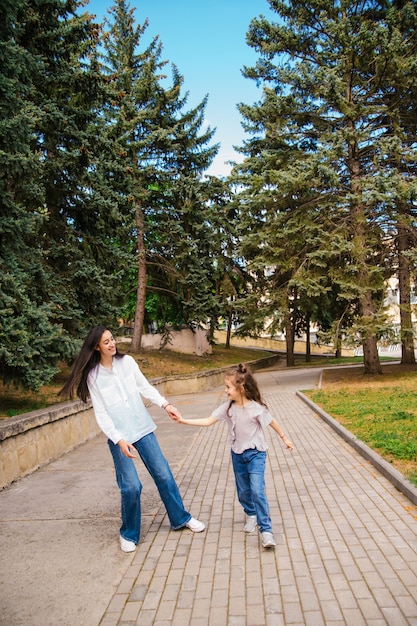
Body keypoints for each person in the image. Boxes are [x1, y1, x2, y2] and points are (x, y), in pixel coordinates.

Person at [59, 325, 205, 552]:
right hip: (120, 437)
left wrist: (165, 405)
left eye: (112, 339)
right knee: (131, 487)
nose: (112, 344)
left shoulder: (127, 363)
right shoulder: (93, 377)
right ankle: (128, 533)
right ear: (97, 347)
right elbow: (101, 413)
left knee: (164, 475)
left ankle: (181, 518)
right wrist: (118, 439)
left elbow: (144, 387)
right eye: (106, 341)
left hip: (142, 428)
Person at [173, 363, 293, 548]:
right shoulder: (227, 408)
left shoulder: (256, 408)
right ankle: (250, 513)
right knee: (243, 491)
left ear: (241, 388)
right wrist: (183, 421)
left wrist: (284, 437)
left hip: (256, 454)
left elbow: (272, 422)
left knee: (257, 490)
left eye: (228, 387)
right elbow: (207, 421)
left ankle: (266, 531)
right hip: (237, 454)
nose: (225, 390)